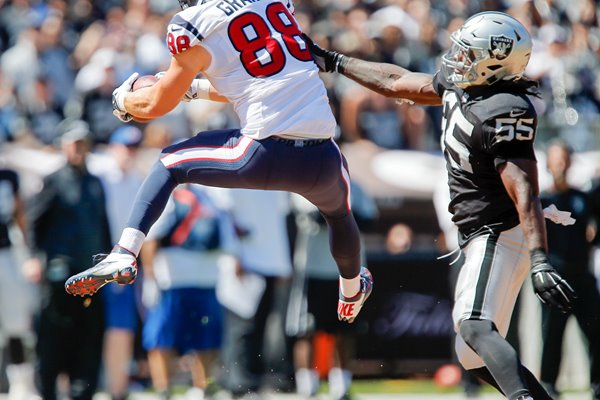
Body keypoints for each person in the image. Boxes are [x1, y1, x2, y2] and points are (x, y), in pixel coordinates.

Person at [302, 11, 577, 400]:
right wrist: (335, 61)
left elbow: (524, 190)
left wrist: (540, 258)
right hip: (482, 233)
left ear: (494, 63)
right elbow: (397, 82)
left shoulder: (503, 108)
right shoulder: (467, 86)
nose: (457, 58)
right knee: (472, 354)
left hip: (501, 230)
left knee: (474, 326)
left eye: (469, 52)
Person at [64, 0, 372, 325]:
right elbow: (260, 77)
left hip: (264, 152)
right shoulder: (272, 6)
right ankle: (352, 291)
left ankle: (123, 253)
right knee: (340, 215)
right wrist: (194, 90)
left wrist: (125, 100)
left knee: (169, 162)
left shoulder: (195, 24)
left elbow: (157, 104)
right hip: (322, 158)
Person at [24, 120, 112, 400]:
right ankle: (48, 392)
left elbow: (103, 225)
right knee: (54, 338)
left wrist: (112, 264)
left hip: (91, 277)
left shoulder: (95, 182)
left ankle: (81, 392)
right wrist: (33, 258)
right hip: (60, 276)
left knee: (89, 339)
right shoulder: (53, 180)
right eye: (74, 143)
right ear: (63, 145)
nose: (79, 149)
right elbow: (33, 223)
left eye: (83, 143)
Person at [140, 183, 237, 399]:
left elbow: (226, 236)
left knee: (207, 338)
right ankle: (163, 388)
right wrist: (149, 275)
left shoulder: (213, 197)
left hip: (206, 279)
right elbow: (151, 238)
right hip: (173, 280)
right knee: (162, 337)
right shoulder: (169, 197)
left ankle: (202, 388)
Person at [213, 188, 294, 398]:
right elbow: (225, 215)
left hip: (270, 264)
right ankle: (237, 383)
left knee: (261, 326)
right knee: (241, 327)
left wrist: (283, 264)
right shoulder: (232, 173)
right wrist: (235, 254)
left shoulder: (277, 177)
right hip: (245, 262)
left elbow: (278, 220)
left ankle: (253, 382)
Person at [539, 140, 600, 399]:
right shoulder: (543, 201)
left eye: (563, 158)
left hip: (582, 275)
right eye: (555, 159)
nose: (560, 164)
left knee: (596, 330)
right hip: (556, 277)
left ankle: (597, 383)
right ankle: (549, 384)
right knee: (552, 334)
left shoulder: (582, 198)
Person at [89, 125, 146, 400]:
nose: (129, 153)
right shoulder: (99, 174)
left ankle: (117, 387)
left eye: (134, 148)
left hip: (121, 260)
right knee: (89, 324)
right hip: (93, 255)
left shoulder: (136, 181)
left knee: (121, 325)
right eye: (125, 147)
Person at [0, 163, 39, 400]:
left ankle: (21, 384)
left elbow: (19, 213)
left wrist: (29, 253)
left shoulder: (9, 175)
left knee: (17, 322)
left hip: (7, 254)